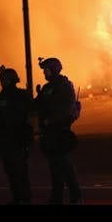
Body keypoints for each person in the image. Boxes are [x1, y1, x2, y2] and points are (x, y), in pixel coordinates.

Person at [0, 65, 34, 204]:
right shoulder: (21, 95)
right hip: (13, 138)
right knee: (16, 170)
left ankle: (21, 198)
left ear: (10, 80)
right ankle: (22, 198)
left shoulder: (5, 97)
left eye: (3, 79)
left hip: (13, 138)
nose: (1, 81)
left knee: (15, 171)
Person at [35, 57, 82, 205]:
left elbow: (66, 109)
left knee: (64, 166)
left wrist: (52, 120)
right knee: (54, 168)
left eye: (46, 70)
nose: (44, 73)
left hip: (60, 131)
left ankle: (76, 197)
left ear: (54, 69)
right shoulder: (47, 88)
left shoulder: (64, 85)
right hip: (49, 132)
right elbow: (38, 104)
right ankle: (57, 198)